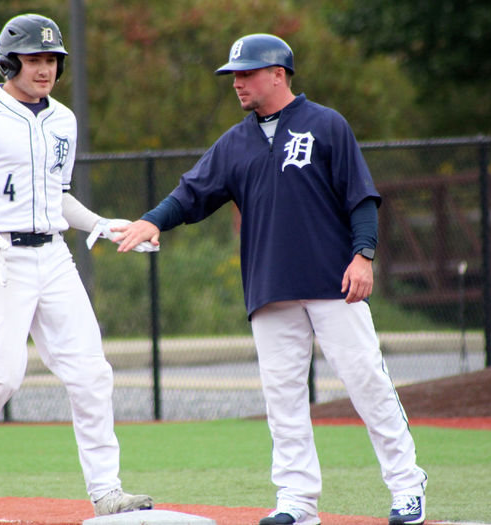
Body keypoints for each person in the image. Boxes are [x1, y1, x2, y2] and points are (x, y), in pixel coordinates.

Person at [115, 34, 427, 525]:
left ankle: (407, 485)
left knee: (367, 382)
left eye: (247, 72)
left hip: (334, 282)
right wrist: (153, 220)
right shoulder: (234, 143)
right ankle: (297, 502)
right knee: (282, 400)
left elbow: (361, 198)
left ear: (278, 74)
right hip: (270, 287)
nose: (237, 82)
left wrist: (363, 255)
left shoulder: (325, 124)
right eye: (234, 74)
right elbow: (190, 194)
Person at [0, 14, 154, 525]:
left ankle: (107, 490)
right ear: (9, 61)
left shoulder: (63, 119)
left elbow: (57, 197)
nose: (45, 69)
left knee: (91, 373)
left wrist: (101, 224)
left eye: (52, 60)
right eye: (34, 59)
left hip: (54, 255)